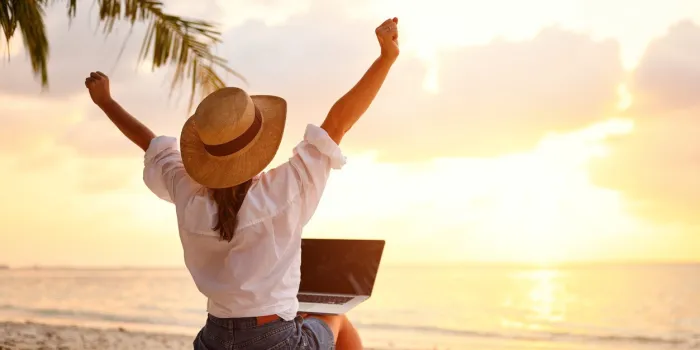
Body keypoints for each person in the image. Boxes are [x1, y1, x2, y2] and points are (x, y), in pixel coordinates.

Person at [84, 17, 400, 350]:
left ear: (206, 155)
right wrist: (386, 58)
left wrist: (106, 102)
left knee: (313, 317)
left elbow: (150, 144)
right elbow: (339, 120)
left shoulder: (188, 192)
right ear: (257, 148)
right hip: (276, 340)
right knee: (335, 318)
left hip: (214, 339)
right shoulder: (286, 187)